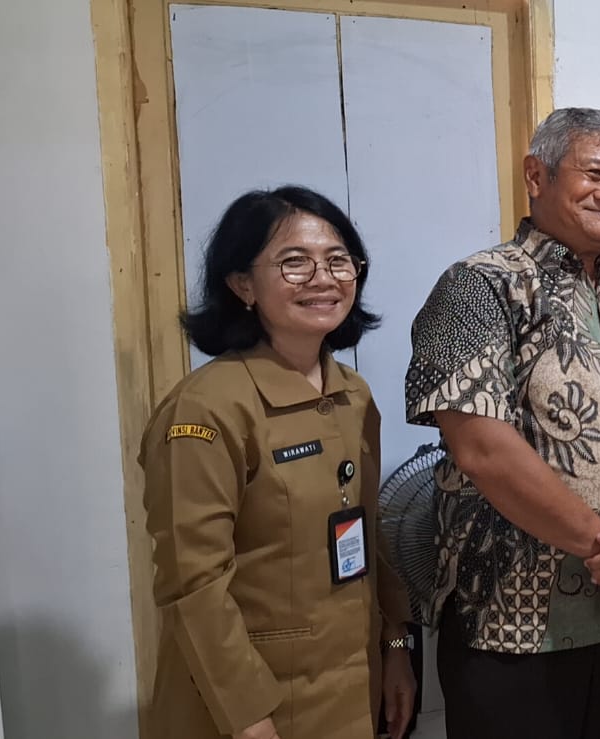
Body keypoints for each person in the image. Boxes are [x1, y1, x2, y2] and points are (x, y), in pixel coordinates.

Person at [405, 107, 600, 739]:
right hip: (512, 624)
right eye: (593, 173)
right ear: (536, 176)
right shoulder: (476, 287)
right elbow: (482, 449)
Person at [139, 186, 416, 739]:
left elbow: (368, 535)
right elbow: (193, 583)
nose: (323, 278)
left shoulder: (353, 395)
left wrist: (397, 643)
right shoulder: (206, 409)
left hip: (350, 692)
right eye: (294, 262)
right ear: (242, 284)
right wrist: (247, 716)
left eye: (338, 260)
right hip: (248, 707)